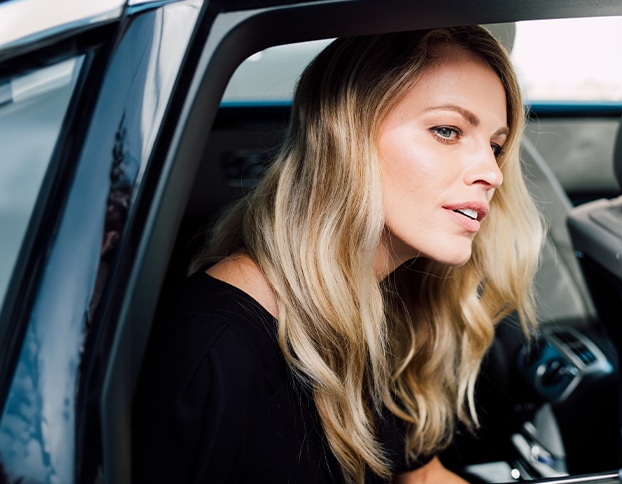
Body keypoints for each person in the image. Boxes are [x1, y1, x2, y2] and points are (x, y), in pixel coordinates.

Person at [132, 25, 543, 483]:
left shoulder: (370, 305)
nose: (492, 172)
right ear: (343, 135)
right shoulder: (212, 352)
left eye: (495, 146)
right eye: (446, 130)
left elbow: (421, 477)